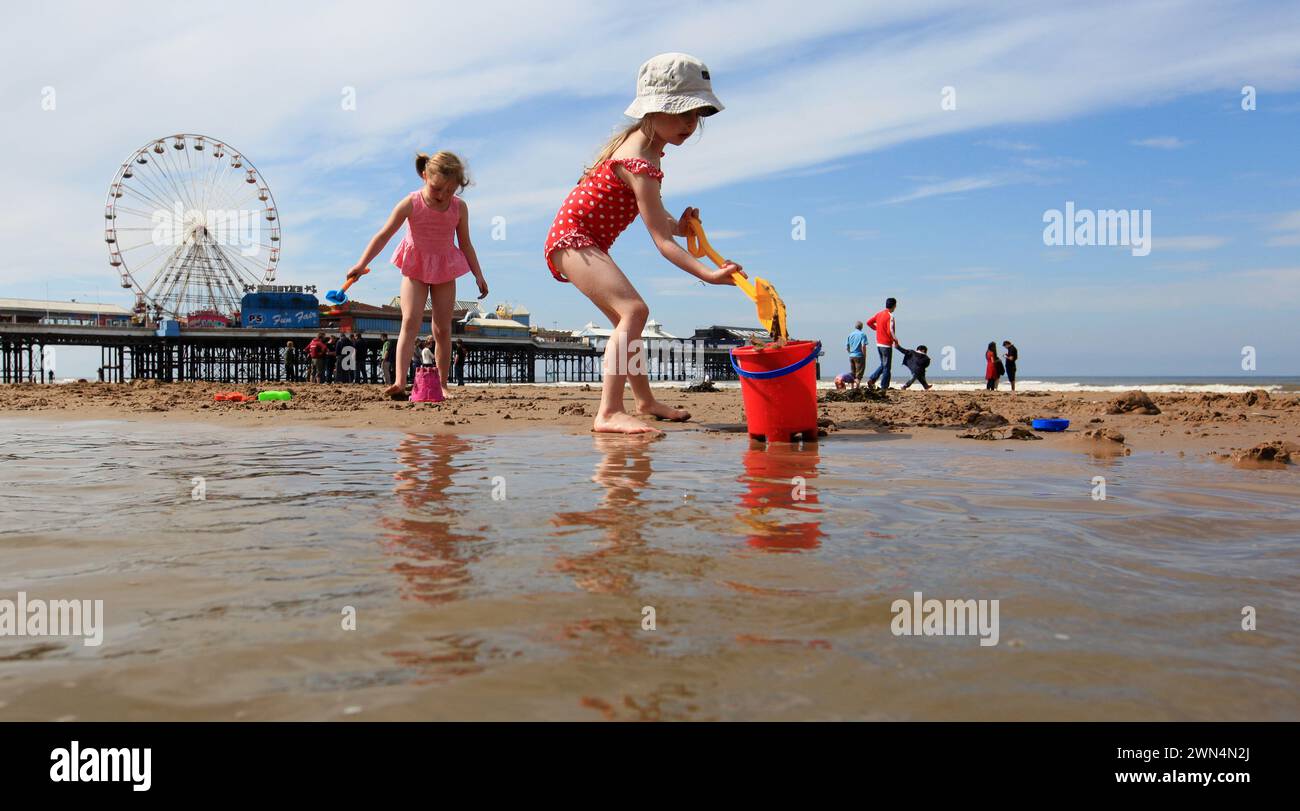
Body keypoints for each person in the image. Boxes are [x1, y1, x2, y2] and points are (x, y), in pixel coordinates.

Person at [544, 53, 742, 434]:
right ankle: (608, 412)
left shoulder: (645, 150)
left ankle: (645, 401)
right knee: (635, 311)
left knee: (627, 320)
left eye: (697, 114)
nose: (691, 122)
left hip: (579, 241)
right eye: (683, 112)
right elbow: (661, 242)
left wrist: (681, 227)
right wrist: (709, 274)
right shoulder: (641, 162)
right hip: (574, 240)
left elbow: (660, 220)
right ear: (655, 110)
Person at [345, 151, 489, 398]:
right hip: (415, 266)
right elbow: (383, 235)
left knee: (442, 329)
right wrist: (361, 265)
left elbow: (465, 243)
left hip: (445, 267)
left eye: (450, 190)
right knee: (410, 321)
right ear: (425, 176)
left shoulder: (459, 208)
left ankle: (442, 385)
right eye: (437, 189)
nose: (443, 195)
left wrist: (479, 275)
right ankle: (400, 382)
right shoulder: (411, 203)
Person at [865, 297, 899, 390]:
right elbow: (891, 330)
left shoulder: (879, 314)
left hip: (879, 344)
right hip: (886, 344)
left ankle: (872, 379)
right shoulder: (890, 316)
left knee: (883, 364)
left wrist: (877, 329)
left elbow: (869, 322)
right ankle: (884, 386)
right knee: (887, 366)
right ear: (894, 306)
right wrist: (896, 340)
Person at [845, 321, 868, 389]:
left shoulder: (850, 335)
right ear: (862, 327)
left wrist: (850, 353)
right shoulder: (862, 334)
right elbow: (863, 345)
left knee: (853, 373)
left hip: (851, 355)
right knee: (859, 374)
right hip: (859, 355)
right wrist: (864, 355)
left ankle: (852, 387)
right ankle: (857, 388)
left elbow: (847, 346)